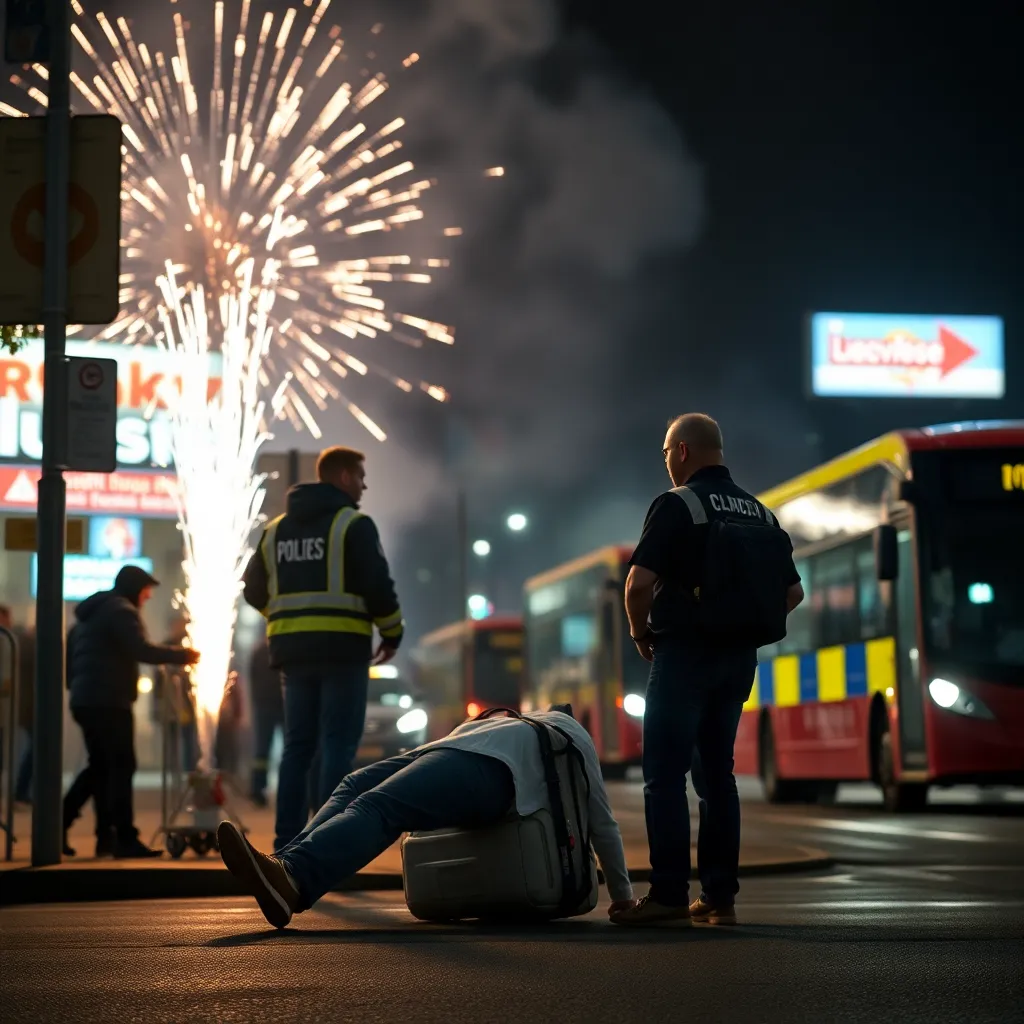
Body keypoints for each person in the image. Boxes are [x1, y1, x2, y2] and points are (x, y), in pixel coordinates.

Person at [613, 413, 803, 926]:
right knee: (717, 777)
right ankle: (720, 897)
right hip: (738, 659)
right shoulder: (760, 513)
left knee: (664, 775)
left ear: (680, 453)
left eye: (666, 455)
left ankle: (669, 894)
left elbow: (637, 585)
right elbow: (793, 593)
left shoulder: (678, 505)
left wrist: (640, 635)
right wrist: (738, 624)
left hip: (684, 656)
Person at [217, 705, 636, 929]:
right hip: (450, 754)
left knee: (380, 806)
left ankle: (293, 878)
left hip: (488, 771)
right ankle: (284, 869)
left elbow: (601, 820)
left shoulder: (571, 732)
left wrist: (621, 894)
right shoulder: (521, 717)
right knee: (353, 784)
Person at [242, 445, 405, 852]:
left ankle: (285, 843)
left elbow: (252, 589)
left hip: (294, 656)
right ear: (345, 477)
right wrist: (392, 632)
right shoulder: (354, 525)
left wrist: (285, 620)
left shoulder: (275, 530)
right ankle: (326, 842)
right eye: (361, 476)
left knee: (298, 746)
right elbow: (378, 586)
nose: (365, 485)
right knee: (337, 744)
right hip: (342, 651)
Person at [62, 566, 201, 858]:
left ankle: (103, 837)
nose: (148, 597)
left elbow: (70, 664)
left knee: (101, 768)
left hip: (86, 699)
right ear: (133, 588)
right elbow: (142, 650)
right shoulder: (121, 611)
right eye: (145, 591)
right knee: (121, 766)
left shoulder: (91, 614)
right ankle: (123, 838)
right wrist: (184, 655)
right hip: (108, 701)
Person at [248, 634, 283, 807]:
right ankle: (287, 789)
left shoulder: (259, 651)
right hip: (282, 704)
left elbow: (252, 679)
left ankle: (257, 790)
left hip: (264, 705)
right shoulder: (284, 647)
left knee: (262, 750)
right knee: (292, 749)